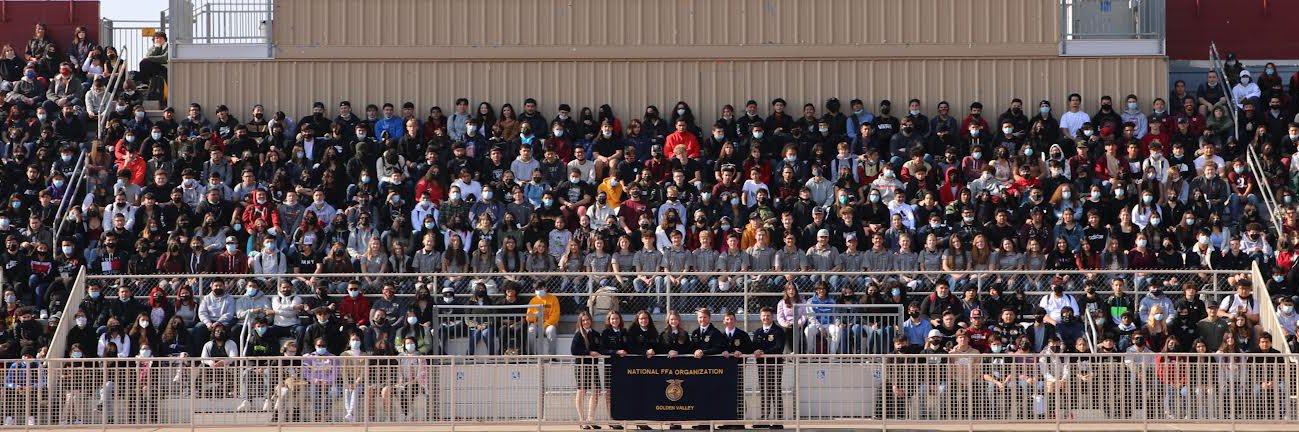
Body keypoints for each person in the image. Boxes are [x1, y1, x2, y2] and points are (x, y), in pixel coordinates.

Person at [571, 311, 603, 430]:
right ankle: (582, 419)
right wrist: (589, 353)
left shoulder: (595, 334)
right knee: (582, 391)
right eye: (583, 320)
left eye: (587, 320)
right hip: (581, 367)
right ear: (580, 322)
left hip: (593, 367)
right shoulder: (578, 334)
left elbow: (600, 348)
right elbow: (574, 350)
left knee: (596, 391)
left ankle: (591, 419)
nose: (586, 322)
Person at [527, 285, 560, 355]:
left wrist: (544, 325)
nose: (539, 290)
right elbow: (528, 318)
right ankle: (532, 355)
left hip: (548, 324)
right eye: (537, 289)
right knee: (530, 331)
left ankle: (552, 356)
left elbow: (555, 315)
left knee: (551, 331)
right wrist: (535, 315)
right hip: (536, 324)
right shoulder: (533, 300)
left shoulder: (553, 299)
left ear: (546, 288)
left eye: (541, 288)